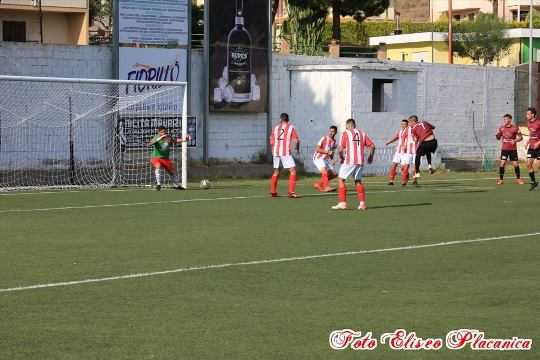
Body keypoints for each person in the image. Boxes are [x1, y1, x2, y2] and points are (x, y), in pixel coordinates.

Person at [332, 118, 375, 211]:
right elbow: (372, 146)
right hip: (360, 161)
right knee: (358, 181)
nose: (346, 127)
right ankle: (362, 204)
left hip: (350, 160)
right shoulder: (362, 133)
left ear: (348, 125)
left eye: (346, 126)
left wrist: (341, 157)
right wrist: (371, 156)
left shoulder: (345, 133)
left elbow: (340, 149)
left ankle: (342, 203)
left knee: (341, 179)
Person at [149, 126, 190, 191]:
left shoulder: (168, 137)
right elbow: (150, 143)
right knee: (158, 166)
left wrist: (185, 140)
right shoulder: (156, 137)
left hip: (165, 158)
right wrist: (159, 138)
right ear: (159, 132)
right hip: (156, 157)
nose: (164, 133)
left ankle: (177, 185)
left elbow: (175, 141)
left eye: (164, 131)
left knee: (172, 172)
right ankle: (158, 184)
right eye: (162, 132)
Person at [269, 113, 300, 198]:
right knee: (293, 170)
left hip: (276, 151)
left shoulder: (275, 128)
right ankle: (291, 192)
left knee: (276, 171)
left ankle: (273, 191)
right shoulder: (290, 127)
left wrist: (272, 148)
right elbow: (296, 140)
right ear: (288, 119)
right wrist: (297, 149)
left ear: (280, 119)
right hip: (285, 152)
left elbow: (271, 139)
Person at [495, 114, 524, 185]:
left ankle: (518, 179)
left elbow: (521, 138)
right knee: (502, 163)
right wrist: (497, 134)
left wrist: (515, 141)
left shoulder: (515, 128)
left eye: (506, 119)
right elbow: (498, 138)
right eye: (504, 119)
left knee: (515, 164)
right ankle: (501, 179)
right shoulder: (501, 128)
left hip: (513, 149)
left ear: (510, 120)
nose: (504, 121)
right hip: (504, 149)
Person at [385, 119, 415, 186]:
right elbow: (396, 137)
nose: (402, 125)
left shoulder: (409, 130)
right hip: (399, 151)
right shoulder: (401, 131)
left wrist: (405, 145)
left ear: (407, 125)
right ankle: (391, 180)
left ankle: (404, 181)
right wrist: (389, 142)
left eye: (404, 124)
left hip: (407, 151)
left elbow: (409, 138)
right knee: (394, 165)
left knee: (405, 167)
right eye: (401, 124)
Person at [409, 115, 438, 184]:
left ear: (413, 121)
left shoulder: (413, 129)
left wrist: (415, 146)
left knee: (417, 156)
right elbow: (433, 127)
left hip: (425, 142)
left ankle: (417, 173)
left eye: (410, 122)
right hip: (434, 142)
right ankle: (430, 167)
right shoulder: (424, 122)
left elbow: (416, 140)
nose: (409, 124)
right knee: (428, 151)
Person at [313, 126, 338, 192]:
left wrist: (332, 159)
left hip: (325, 159)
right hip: (318, 158)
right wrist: (327, 152)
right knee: (325, 172)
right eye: (330, 131)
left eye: (333, 131)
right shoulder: (324, 138)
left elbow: (331, 152)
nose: (331, 133)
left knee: (334, 174)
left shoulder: (334, 142)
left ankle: (318, 184)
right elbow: (317, 149)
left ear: (336, 132)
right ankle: (326, 187)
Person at [525, 107, 540, 191]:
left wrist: (538, 142)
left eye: (528, 114)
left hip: (539, 147)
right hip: (531, 147)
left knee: (538, 166)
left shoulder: (538, 123)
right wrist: (528, 142)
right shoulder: (528, 123)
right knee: (528, 164)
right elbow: (531, 134)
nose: (526, 115)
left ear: (533, 114)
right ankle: (533, 182)